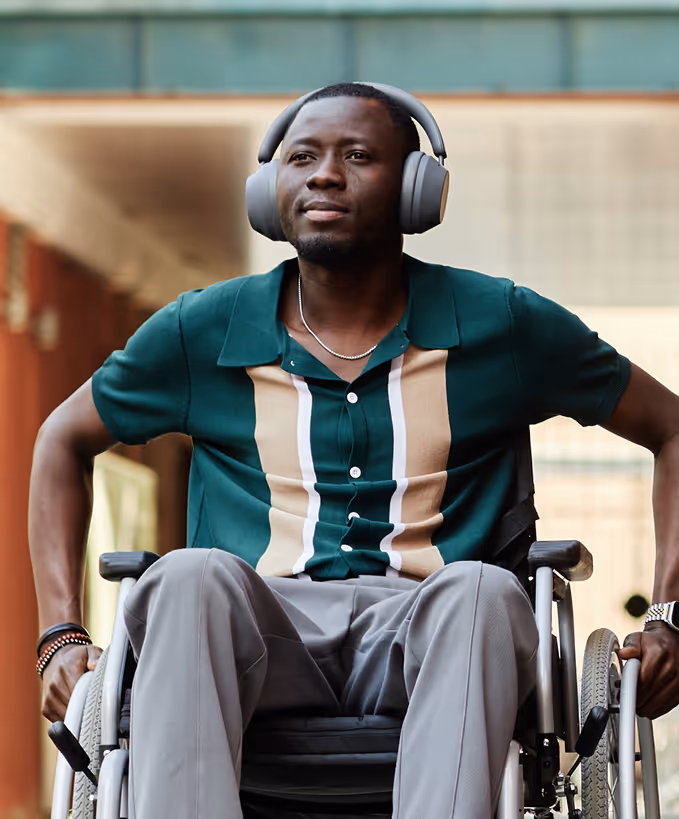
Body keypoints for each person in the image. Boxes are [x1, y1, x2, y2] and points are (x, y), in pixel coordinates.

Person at [29, 83, 679, 819]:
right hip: (256, 634)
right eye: (301, 157)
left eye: (357, 156)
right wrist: (60, 633)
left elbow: (671, 426)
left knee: (483, 590)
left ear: (415, 190)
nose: (324, 175)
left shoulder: (503, 325)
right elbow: (61, 437)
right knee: (183, 578)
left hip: (432, 631)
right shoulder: (203, 331)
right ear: (270, 192)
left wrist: (668, 615)